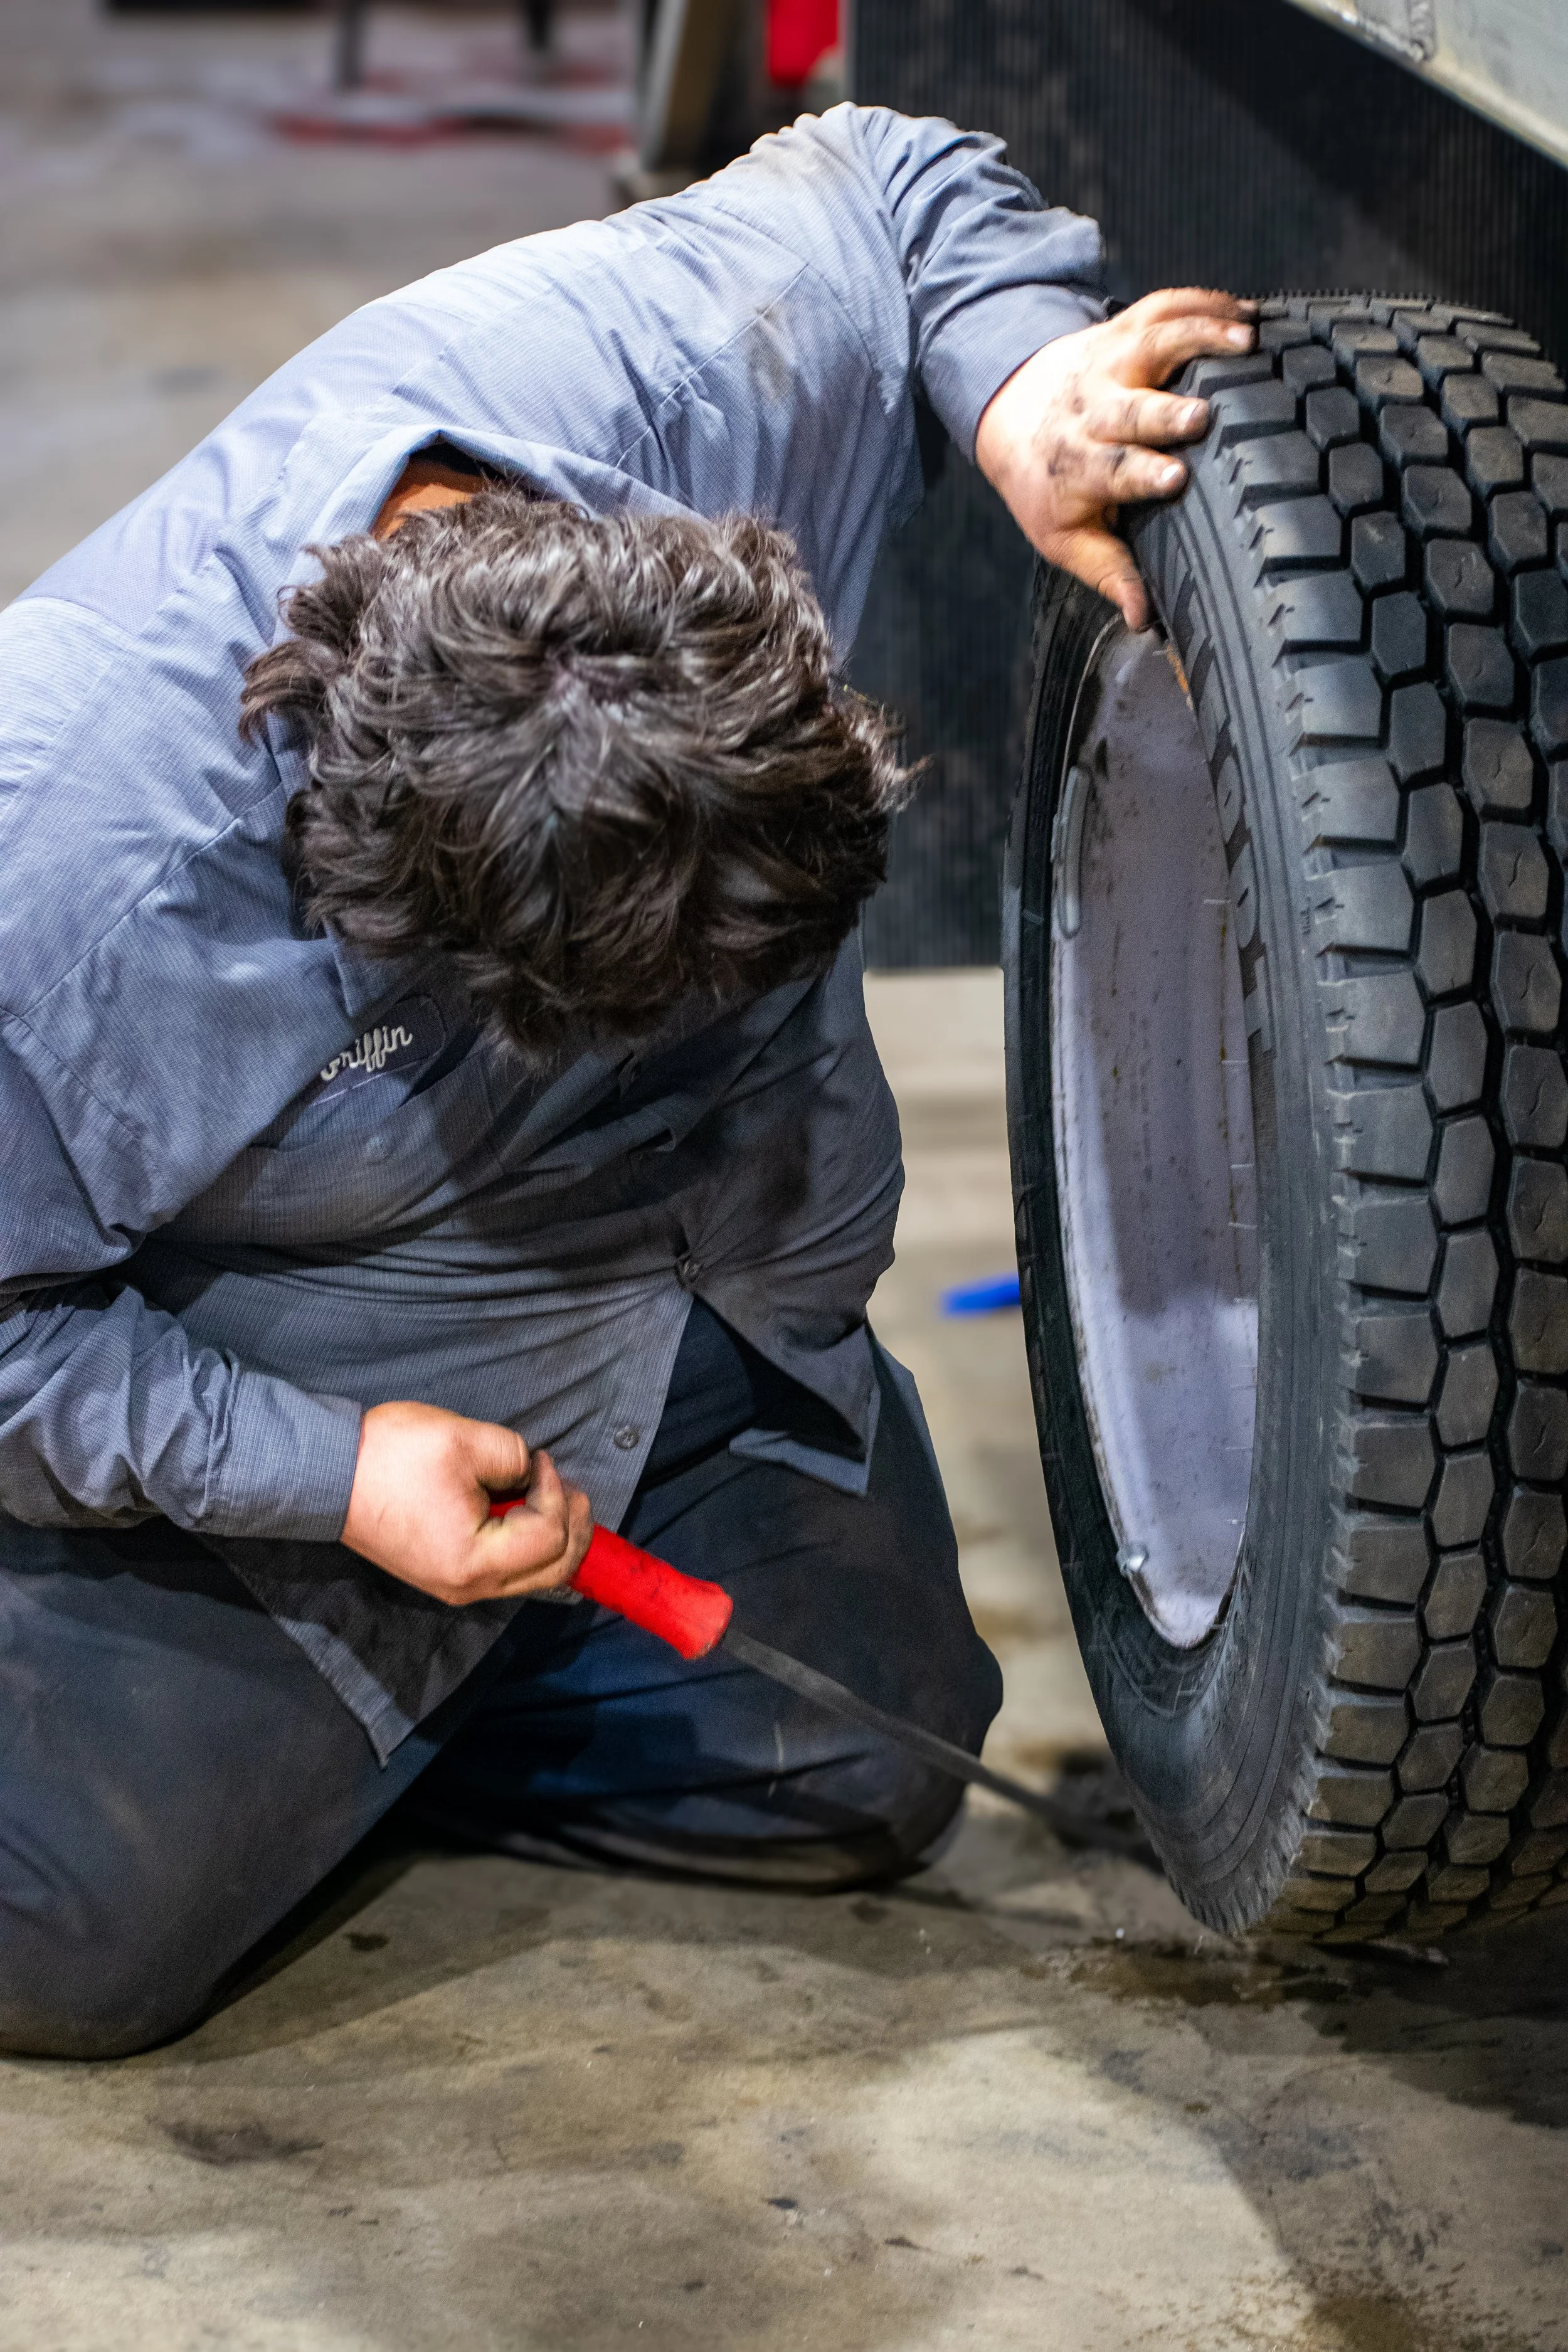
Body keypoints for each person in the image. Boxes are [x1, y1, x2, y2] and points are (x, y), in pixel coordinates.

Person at [0, 103, 1253, 2057]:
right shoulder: (62, 870)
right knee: (68, 1938)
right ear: (413, 931)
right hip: (312, 1329)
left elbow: (891, 183)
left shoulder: (663, 381)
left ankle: (385, 1708)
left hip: (667, 1268)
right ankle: (258, 1659)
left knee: (858, 1774)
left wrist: (1015, 382)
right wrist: (326, 1481)